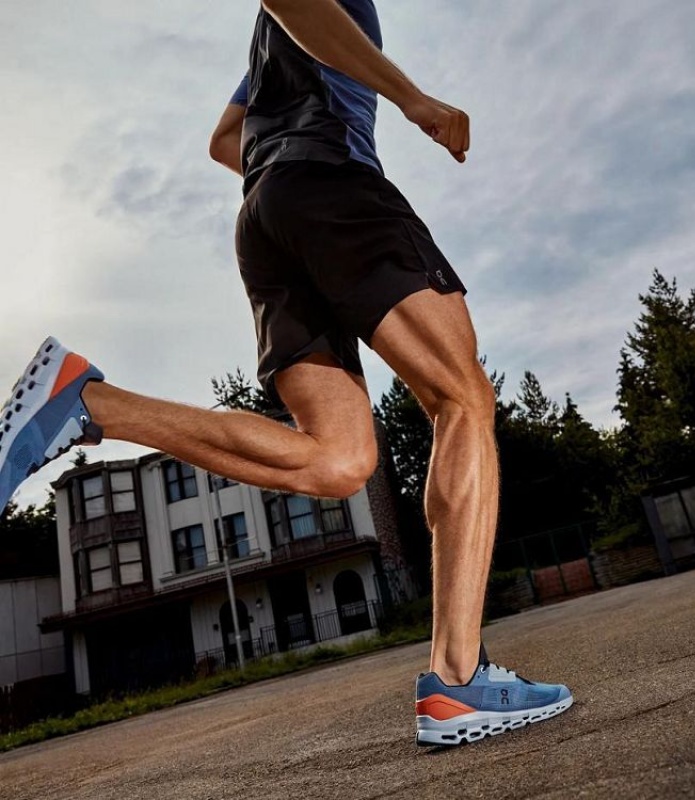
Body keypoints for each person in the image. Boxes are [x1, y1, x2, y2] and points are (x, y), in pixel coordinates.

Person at [0, 0, 572, 746]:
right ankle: (459, 679)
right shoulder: (332, 13)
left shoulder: (275, 55)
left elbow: (222, 141)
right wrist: (411, 99)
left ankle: (90, 401)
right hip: (331, 187)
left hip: (269, 212)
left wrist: (287, 165)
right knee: (462, 399)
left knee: (340, 461)